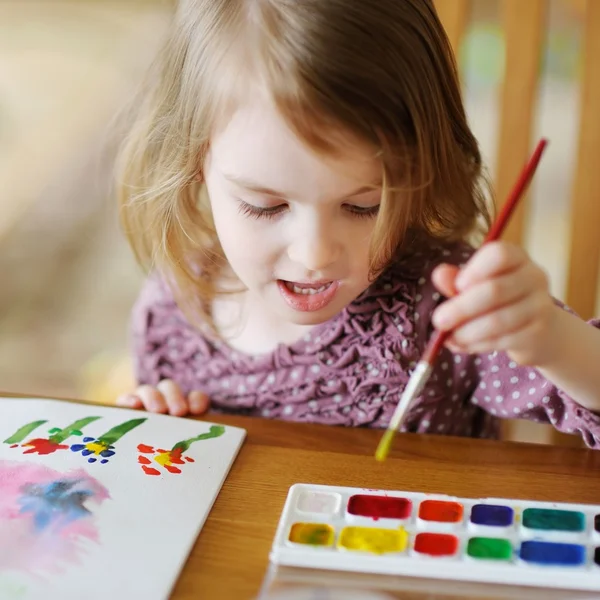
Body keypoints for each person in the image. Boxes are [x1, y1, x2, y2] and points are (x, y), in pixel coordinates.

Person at [115, 0, 600, 447]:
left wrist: (551, 339)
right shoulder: (170, 313)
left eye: (363, 206)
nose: (315, 253)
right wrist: (157, 430)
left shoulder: (446, 309)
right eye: (266, 206)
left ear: (420, 170)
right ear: (196, 162)